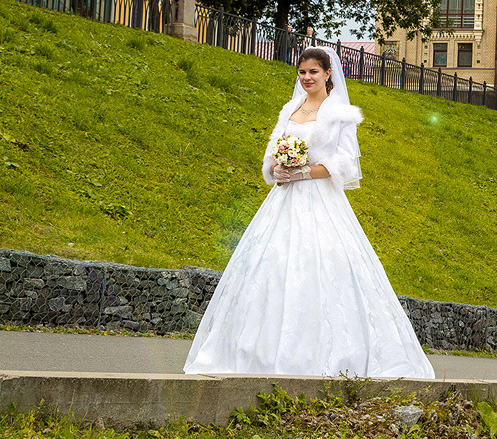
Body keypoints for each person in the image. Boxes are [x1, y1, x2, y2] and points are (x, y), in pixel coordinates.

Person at [184, 46, 434, 378]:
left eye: (313, 72)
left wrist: (303, 172)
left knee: (321, 263)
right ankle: (254, 351)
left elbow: (344, 162)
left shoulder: (340, 113)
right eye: (302, 72)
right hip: (284, 199)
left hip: (320, 199)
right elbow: (274, 148)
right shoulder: (291, 108)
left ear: (328, 74)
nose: (307, 78)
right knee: (271, 264)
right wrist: (275, 169)